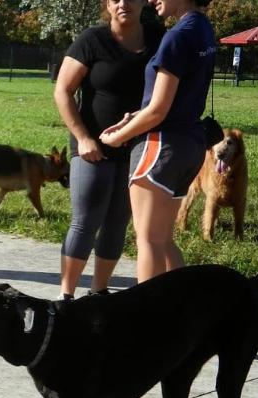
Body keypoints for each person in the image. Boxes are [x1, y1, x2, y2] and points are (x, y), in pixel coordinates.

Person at [100, 0, 216, 283]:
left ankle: (147, 320)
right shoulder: (203, 29)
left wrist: (116, 138)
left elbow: (158, 110)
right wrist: (132, 120)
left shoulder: (176, 36)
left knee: (148, 240)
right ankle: (184, 312)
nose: (151, 0)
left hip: (162, 146)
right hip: (190, 144)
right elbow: (175, 99)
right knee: (163, 240)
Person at [54, 0, 162, 300]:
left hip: (138, 147)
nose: (123, 4)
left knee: (117, 221)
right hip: (93, 148)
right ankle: (66, 298)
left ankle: (98, 292)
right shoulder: (92, 40)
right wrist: (83, 138)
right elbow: (63, 90)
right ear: (107, 4)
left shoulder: (158, 37)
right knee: (86, 219)